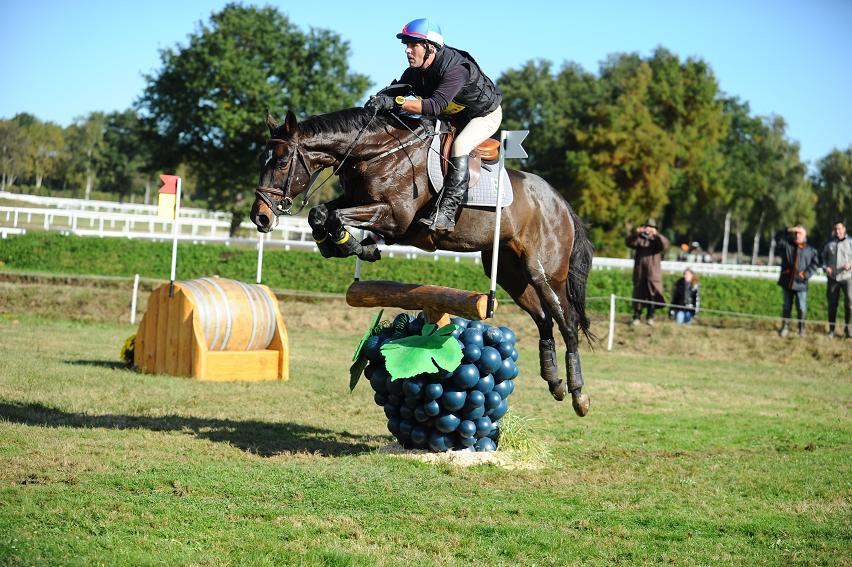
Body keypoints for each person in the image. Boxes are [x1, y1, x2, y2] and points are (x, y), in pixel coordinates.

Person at [365, 18, 503, 233]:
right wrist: (379, 100)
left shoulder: (456, 69)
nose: (407, 51)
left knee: (461, 145)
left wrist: (397, 102)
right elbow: (398, 89)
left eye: (413, 45)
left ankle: (447, 212)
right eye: (406, 45)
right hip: (453, 117)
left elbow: (435, 106)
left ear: (430, 48)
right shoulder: (415, 71)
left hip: (483, 115)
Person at [774, 225, 820, 337]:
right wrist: (789, 229)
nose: (797, 235)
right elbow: (777, 237)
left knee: (801, 307)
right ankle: (785, 327)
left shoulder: (810, 250)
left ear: (805, 235)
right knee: (786, 306)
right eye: (796, 233)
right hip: (787, 282)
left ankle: (801, 329)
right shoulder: (787, 245)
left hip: (801, 284)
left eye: (800, 233)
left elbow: (815, 264)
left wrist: (805, 275)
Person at [625, 218, 670, 326]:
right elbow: (628, 242)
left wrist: (656, 234)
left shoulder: (657, 240)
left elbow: (665, 244)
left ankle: (650, 317)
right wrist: (637, 233)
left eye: (651, 227)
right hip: (640, 273)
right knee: (638, 294)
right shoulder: (639, 238)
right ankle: (636, 316)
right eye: (647, 227)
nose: (649, 229)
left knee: (653, 294)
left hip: (653, 274)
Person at [820, 220, 852, 338]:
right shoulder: (829, 244)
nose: (837, 231)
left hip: (847, 278)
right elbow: (822, 258)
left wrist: (851, 264)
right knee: (832, 304)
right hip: (833, 279)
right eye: (835, 229)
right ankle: (832, 330)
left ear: (844, 229)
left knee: (850, 303)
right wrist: (825, 267)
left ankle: (848, 329)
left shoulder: (850, 242)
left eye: (839, 228)